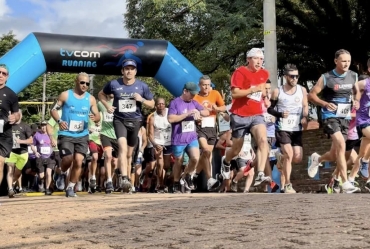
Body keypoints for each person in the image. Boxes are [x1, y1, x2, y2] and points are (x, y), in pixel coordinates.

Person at [98, 59, 154, 193]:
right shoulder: (114, 84)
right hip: (119, 120)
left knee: (129, 154)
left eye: (132, 69)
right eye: (126, 69)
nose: (129, 71)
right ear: (122, 71)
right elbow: (101, 94)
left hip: (135, 122)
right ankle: (124, 178)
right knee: (122, 147)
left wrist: (142, 100)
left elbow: (152, 104)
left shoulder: (142, 86)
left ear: (135, 71)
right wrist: (107, 105)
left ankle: (126, 177)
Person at [307, 49, 359, 193]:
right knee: (341, 145)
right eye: (343, 61)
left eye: (348, 61)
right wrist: (324, 103)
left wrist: (357, 102)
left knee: (335, 153)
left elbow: (356, 92)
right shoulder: (326, 77)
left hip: (345, 117)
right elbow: (311, 95)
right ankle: (344, 181)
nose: (346, 64)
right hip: (329, 116)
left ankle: (317, 159)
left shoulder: (353, 76)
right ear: (336, 61)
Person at [221, 48, 271, 186]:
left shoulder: (264, 73)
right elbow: (235, 94)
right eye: (256, 58)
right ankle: (226, 161)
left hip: (257, 114)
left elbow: (262, 91)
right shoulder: (240, 72)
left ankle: (260, 173)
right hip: (240, 115)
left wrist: (265, 98)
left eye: (261, 59)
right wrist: (253, 89)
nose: (259, 61)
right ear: (248, 59)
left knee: (262, 140)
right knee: (236, 149)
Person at [51, 72, 100, 197]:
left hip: (82, 135)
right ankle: (59, 172)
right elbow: (53, 110)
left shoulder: (91, 99)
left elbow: (98, 116)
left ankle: (71, 187)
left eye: (87, 84)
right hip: (66, 133)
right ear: (76, 81)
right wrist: (59, 121)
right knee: (67, 159)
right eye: (82, 82)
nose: (85, 85)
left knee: (78, 161)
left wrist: (96, 118)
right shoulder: (66, 95)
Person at [268, 64, 308, 193]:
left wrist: (305, 117)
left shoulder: (302, 90)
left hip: (296, 127)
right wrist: (280, 114)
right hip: (282, 127)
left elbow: (305, 106)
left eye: (297, 76)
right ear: (285, 77)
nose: (295, 78)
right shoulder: (277, 91)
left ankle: (281, 159)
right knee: (289, 154)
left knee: (297, 157)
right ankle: (288, 185)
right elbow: (270, 109)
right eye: (292, 76)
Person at [167, 82, 210, 193]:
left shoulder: (194, 103)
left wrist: (198, 112)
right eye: (191, 94)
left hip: (191, 137)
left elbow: (206, 112)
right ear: (185, 91)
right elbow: (171, 119)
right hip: (178, 138)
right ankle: (176, 183)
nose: (193, 96)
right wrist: (187, 114)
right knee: (178, 161)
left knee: (195, 158)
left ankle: (186, 176)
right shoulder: (175, 103)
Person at [193, 75, 225, 191]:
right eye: (204, 85)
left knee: (206, 155)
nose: (206, 87)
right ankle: (210, 179)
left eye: (208, 85)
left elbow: (223, 107)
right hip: (200, 127)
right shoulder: (195, 97)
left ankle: (194, 175)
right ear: (199, 85)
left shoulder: (215, 94)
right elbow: (192, 112)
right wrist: (196, 117)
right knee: (206, 151)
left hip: (212, 127)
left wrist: (217, 109)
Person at [0, 64, 20, 196]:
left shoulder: (11, 94)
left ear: (7, 77)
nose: (0, 75)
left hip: (4, 134)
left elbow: (17, 114)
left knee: (0, 162)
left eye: (4, 73)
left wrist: (14, 117)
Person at [5, 110, 33, 197]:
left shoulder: (25, 126)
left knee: (17, 173)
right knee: (10, 169)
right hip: (11, 151)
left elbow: (31, 140)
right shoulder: (8, 126)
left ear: (20, 115)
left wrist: (21, 141)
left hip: (22, 153)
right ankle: (10, 189)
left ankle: (12, 184)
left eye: (14, 114)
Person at [147, 97, 171, 193]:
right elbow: (150, 135)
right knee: (160, 164)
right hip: (158, 143)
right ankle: (160, 184)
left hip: (169, 142)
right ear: (155, 106)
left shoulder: (170, 113)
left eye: (163, 104)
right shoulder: (152, 118)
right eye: (158, 104)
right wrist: (155, 144)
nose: (161, 106)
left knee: (166, 165)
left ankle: (163, 182)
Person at [97, 95, 119, 194]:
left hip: (118, 135)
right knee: (108, 156)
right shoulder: (100, 104)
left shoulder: (119, 104)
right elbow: (94, 113)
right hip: (105, 134)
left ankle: (111, 176)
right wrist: (96, 121)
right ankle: (109, 181)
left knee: (115, 163)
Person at [32, 121, 55, 195]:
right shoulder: (37, 135)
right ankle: (40, 182)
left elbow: (56, 143)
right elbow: (32, 144)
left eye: (45, 126)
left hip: (50, 156)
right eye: (42, 126)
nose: (43, 127)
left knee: (49, 173)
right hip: (40, 157)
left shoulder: (51, 134)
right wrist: (35, 152)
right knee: (42, 176)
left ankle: (47, 189)